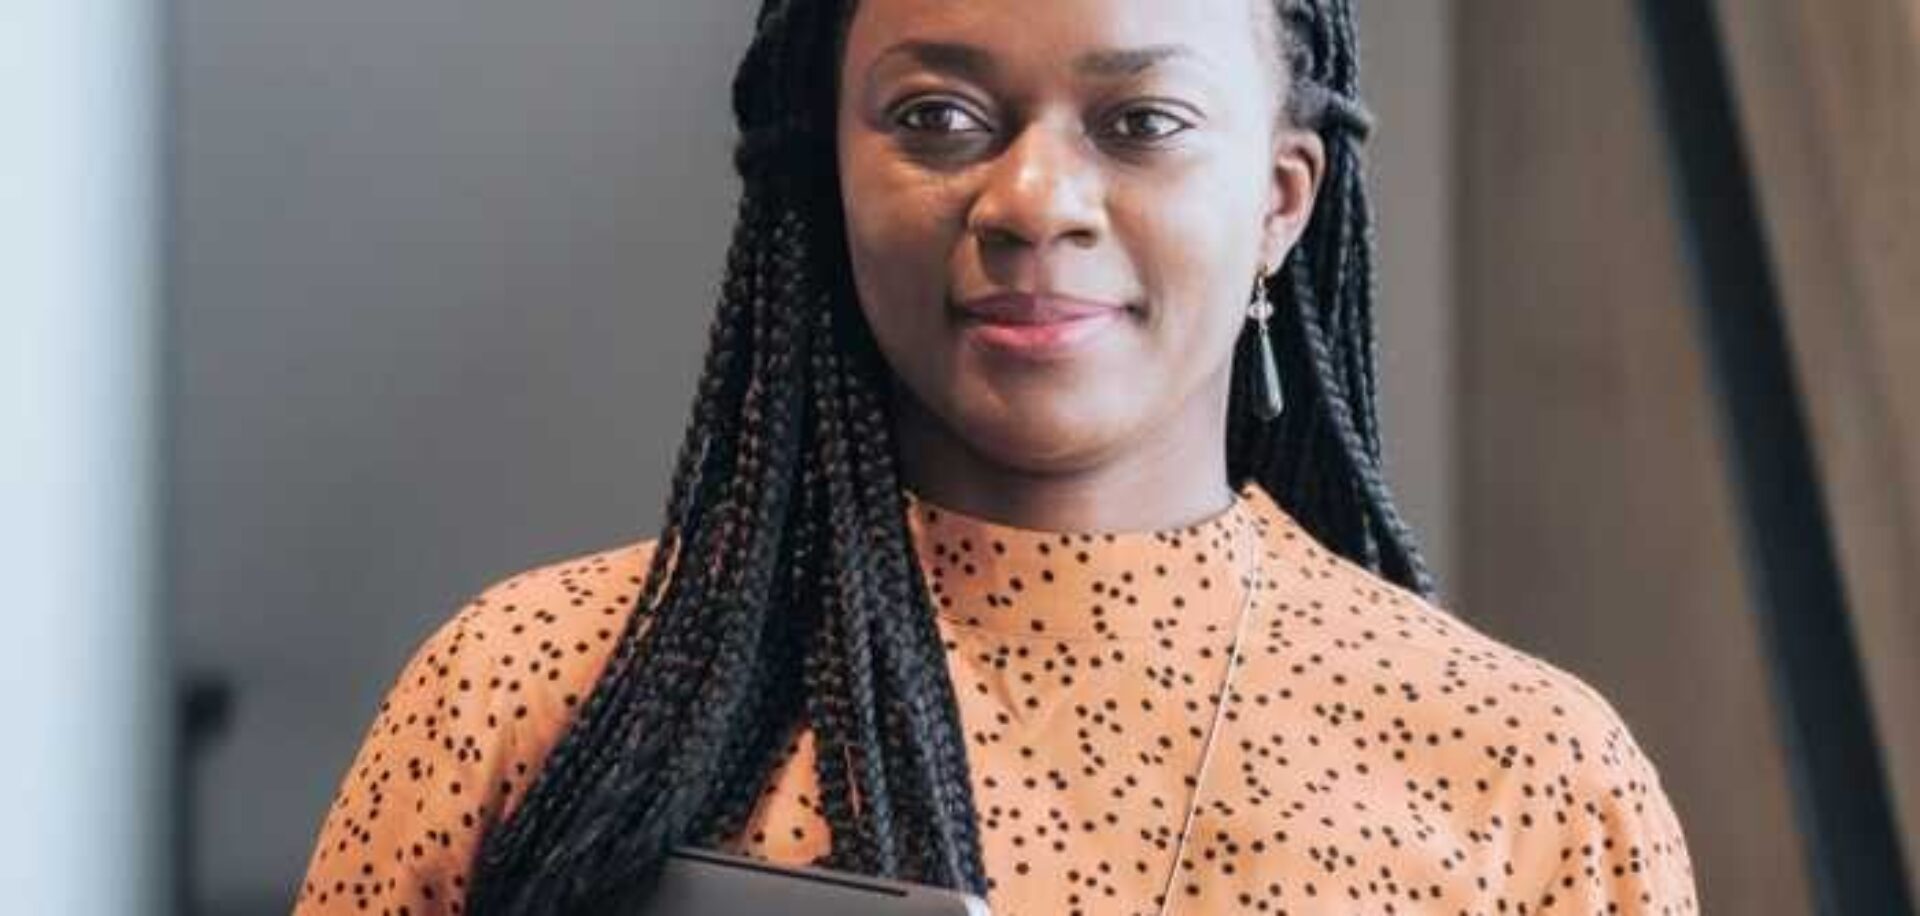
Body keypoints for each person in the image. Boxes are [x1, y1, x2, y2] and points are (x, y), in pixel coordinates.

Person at [295, 1, 1699, 913]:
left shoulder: (1531, 778)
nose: (1033, 201)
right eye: (937, 119)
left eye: (1139, 124)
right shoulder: (539, 696)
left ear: (1280, 202)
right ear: (824, 168)